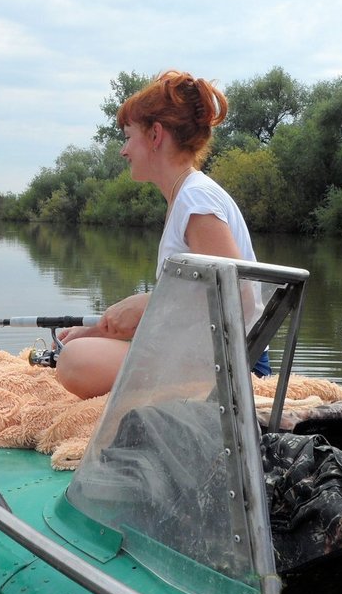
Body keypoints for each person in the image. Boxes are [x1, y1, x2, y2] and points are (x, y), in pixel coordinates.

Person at [55, 69, 268, 399]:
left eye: (128, 136)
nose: (123, 150)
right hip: (205, 359)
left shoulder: (196, 198)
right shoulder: (187, 196)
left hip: (232, 368)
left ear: (155, 135)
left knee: (75, 362)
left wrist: (146, 304)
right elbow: (190, 310)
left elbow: (236, 297)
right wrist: (101, 330)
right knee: (81, 351)